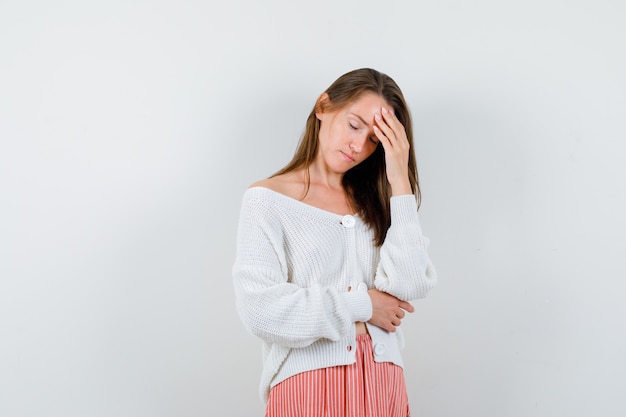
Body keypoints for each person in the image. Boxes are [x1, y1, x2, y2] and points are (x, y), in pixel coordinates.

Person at [232, 68, 437, 417]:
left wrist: (399, 179)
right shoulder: (268, 199)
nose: (359, 146)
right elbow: (260, 311)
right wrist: (363, 306)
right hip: (307, 387)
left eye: (375, 140)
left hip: (383, 382)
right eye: (355, 125)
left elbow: (410, 284)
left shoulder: (378, 204)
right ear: (323, 106)